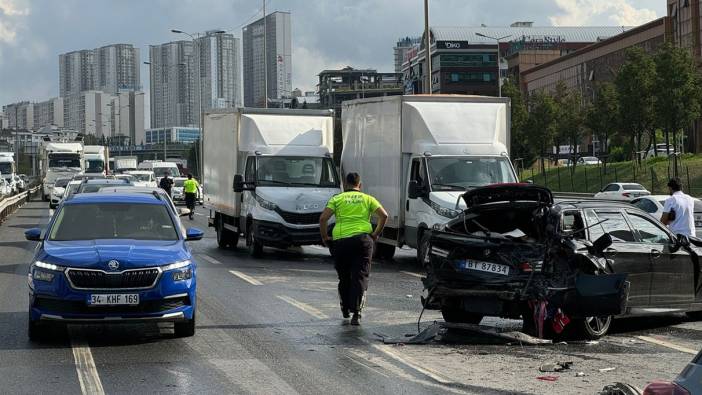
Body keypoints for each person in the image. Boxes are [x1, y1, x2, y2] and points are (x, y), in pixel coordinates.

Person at [319, 172, 388, 326]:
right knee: (360, 276)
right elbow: (384, 216)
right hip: (362, 242)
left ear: (345, 184)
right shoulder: (368, 199)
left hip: (341, 242)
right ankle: (356, 313)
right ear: (360, 185)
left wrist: (325, 237)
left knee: (344, 277)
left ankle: (345, 307)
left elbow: (323, 218)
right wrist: (375, 234)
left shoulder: (337, 199)